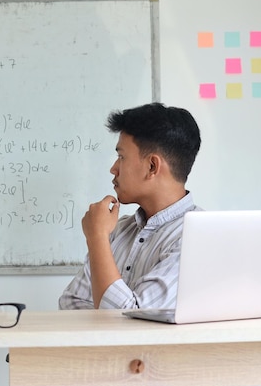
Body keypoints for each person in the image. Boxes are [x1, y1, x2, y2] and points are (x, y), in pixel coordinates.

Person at [59, 102, 202, 310]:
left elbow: (128, 324)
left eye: (121, 157)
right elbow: (70, 303)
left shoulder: (195, 236)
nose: (113, 169)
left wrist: (97, 237)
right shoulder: (119, 230)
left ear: (152, 166)